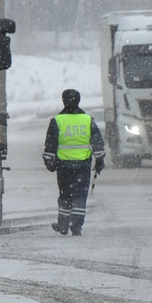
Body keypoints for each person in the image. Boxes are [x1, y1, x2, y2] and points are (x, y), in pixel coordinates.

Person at [43, 89, 106, 236]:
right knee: (80, 195)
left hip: (64, 165)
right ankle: (76, 225)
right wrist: (100, 160)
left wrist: (48, 161)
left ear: (63, 101)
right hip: (83, 165)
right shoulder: (88, 120)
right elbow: (97, 143)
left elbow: (50, 144)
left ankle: (63, 224)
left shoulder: (57, 121)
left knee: (65, 195)